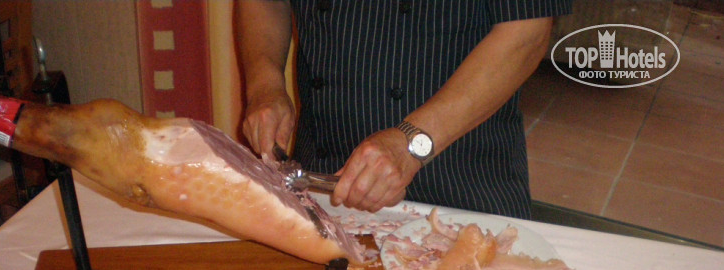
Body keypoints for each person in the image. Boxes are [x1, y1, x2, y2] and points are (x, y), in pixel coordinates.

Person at [235, 1, 571, 217]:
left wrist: (411, 143)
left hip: (462, 186)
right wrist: (265, 86)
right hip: (319, 181)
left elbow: (526, 31)